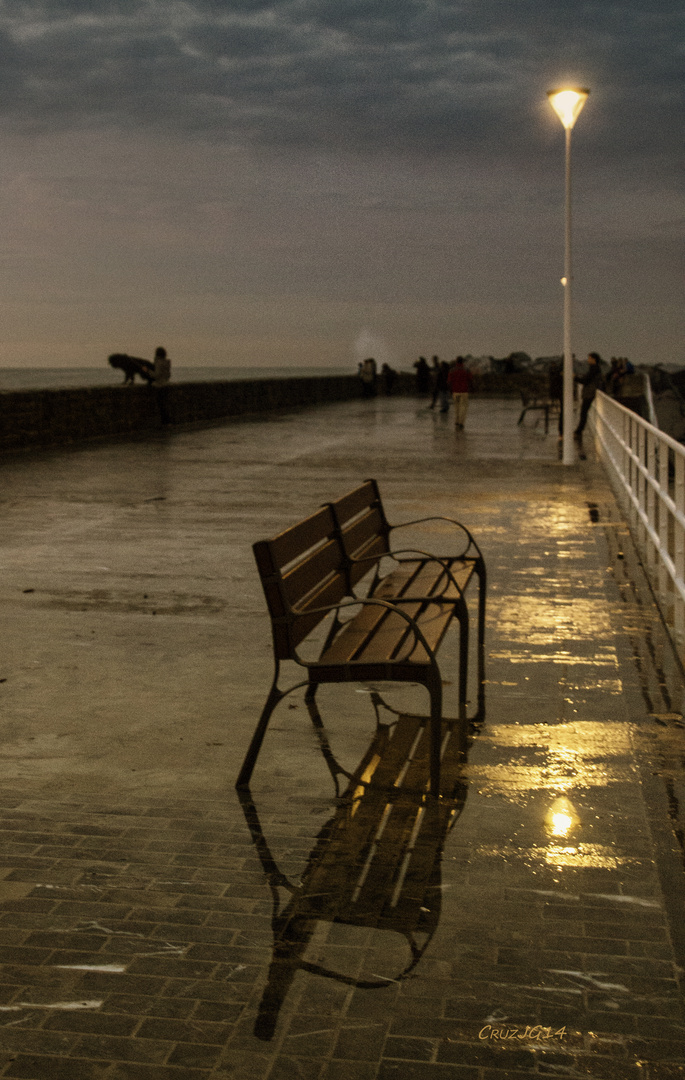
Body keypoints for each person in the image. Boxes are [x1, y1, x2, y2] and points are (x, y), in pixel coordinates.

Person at [574, 352, 604, 440]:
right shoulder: (595, 368)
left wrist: (575, 377)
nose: (588, 360)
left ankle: (579, 431)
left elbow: (586, 380)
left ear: (593, 359)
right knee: (584, 412)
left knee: (584, 412)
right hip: (589, 392)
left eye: (589, 358)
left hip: (589, 393)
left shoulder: (594, 369)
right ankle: (579, 430)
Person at [447, 356, 473, 429]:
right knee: (463, 408)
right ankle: (461, 422)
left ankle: (457, 421)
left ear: (456, 361)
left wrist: (450, 390)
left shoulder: (452, 370)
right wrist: (471, 388)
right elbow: (470, 380)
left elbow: (449, 382)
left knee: (456, 407)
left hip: (455, 391)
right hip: (464, 391)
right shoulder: (466, 370)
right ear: (463, 362)